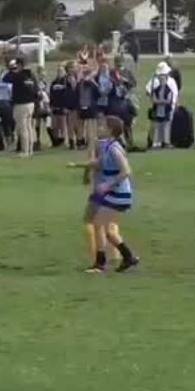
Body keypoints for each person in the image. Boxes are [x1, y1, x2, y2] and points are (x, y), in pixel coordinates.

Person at [71, 115, 138, 274]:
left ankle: (103, 263)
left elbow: (126, 171)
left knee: (99, 224)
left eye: (102, 127)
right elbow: (98, 163)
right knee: (104, 228)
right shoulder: (108, 146)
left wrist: (108, 185)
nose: (99, 129)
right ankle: (127, 258)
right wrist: (77, 165)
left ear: (110, 131)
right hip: (114, 194)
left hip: (118, 195)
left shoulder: (114, 148)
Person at [5, 56, 39, 157]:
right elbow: (35, 89)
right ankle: (30, 150)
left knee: (22, 128)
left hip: (21, 104)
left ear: (19, 65)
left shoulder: (18, 75)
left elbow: (6, 79)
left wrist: (11, 69)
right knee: (29, 127)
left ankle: (25, 151)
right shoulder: (32, 75)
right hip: (31, 103)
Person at [145, 62, 178, 149]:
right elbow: (149, 91)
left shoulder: (171, 81)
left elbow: (174, 95)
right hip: (159, 107)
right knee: (157, 125)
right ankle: (155, 142)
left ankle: (163, 142)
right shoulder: (154, 81)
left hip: (167, 107)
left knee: (164, 124)